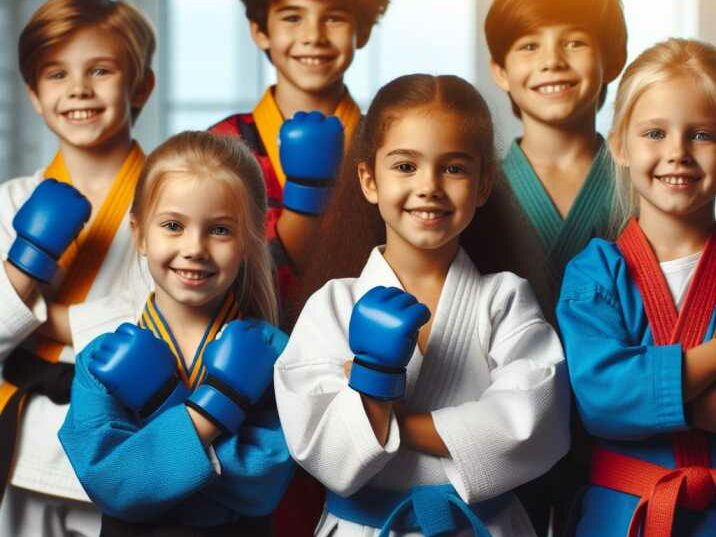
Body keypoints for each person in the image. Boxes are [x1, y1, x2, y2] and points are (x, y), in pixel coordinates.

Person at [275, 74, 570, 537]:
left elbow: (535, 420)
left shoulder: (505, 298)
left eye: (453, 168)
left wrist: (395, 423)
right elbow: (319, 448)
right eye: (405, 166)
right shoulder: (333, 304)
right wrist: (375, 377)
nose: (429, 185)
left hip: (480, 527)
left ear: (483, 183)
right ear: (369, 179)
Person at [59, 131, 294, 537]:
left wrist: (160, 429)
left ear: (250, 239)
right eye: (173, 225)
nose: (195, 248)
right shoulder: (102, 358)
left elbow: (265, 484)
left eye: (219, 230)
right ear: (139, 234)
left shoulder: (273, 351)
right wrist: (217, 406)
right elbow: (116, 486)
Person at [0, 1, 155, 535]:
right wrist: (26, 264)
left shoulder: (174, 206)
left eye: (101, 70)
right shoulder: (12, 203)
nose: (79, 89)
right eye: (57, 73)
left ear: (141, 86)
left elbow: (166, 328)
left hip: (118, 444)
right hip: (20, 447)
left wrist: (48, 318)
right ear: (35, 96)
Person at [557, 38, 716, 536]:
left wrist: (649, 400)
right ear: (620, 146)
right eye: (654, 132)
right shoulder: (595, 272)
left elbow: (625, 396)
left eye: (703, 135)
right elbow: (601, 400)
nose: (677, 153)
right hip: (624, 516)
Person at [210, 0, 389, 306]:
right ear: (260, 31)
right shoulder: (220, 146)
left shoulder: (386, 144)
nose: (313, 36)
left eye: (334, 17)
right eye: (293, 17)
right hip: (247, 337)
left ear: (363, 31)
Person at [468, 0, 627, 323]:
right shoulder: (474, 188)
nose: (552, 61)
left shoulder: (641, 183)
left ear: (611, 61)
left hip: (624, 372)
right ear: (500, 71)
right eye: (529, 46)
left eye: (574, 42)